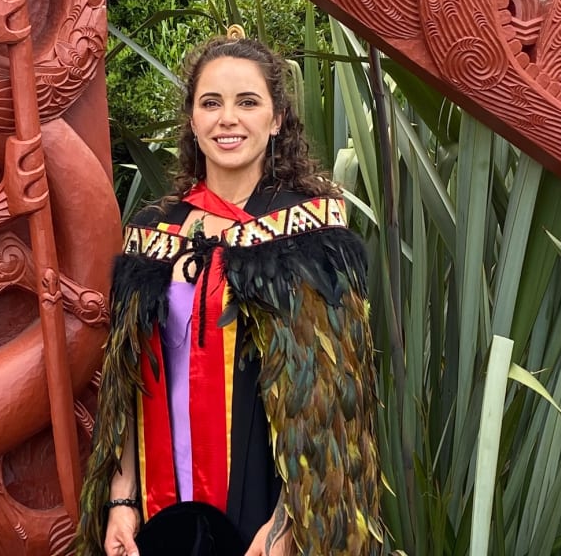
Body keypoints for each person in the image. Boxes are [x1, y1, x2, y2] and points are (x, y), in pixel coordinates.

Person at [75, 34, 386, 556]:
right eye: (211, 103)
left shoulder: (309, 236)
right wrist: (121, 501)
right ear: (192, 120)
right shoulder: (153, 234)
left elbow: (331, 408)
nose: (228, 119)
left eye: (247, 102)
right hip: (160, 510)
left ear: (277, 118)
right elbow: (127, 382)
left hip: (266, 509)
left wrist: (289, 522)